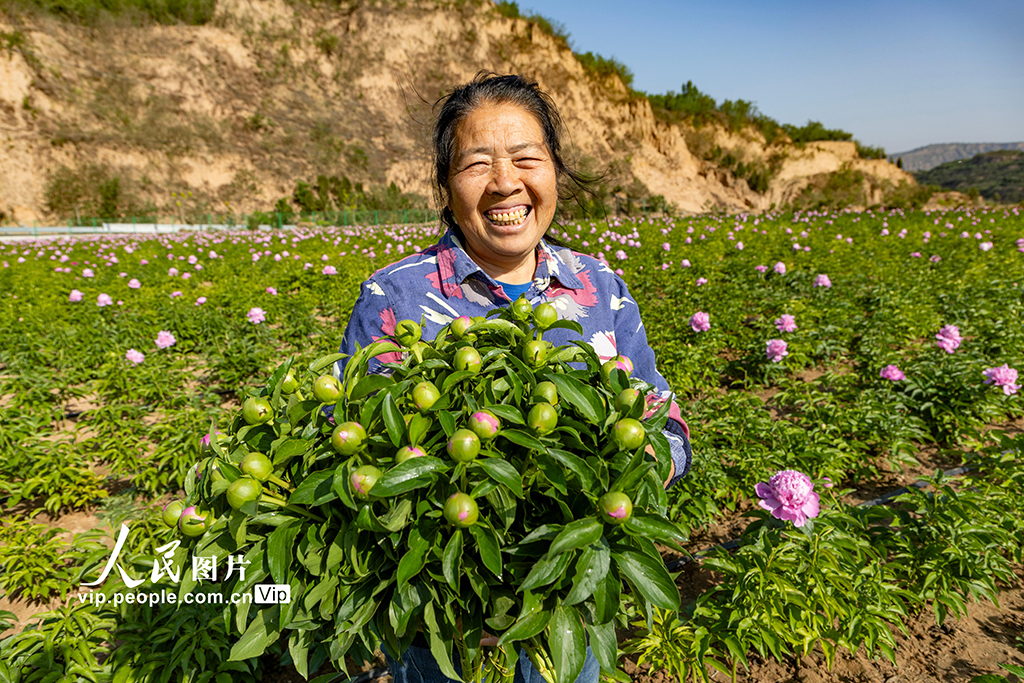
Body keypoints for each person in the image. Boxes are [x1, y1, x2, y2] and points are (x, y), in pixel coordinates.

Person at [336, 72, 692, 683]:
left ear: (553, 172)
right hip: (443, 616)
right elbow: (349, 440)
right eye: (477, 164)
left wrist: (628, 474)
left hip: (568, 605)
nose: (506, 183)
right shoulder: (395, 294)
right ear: (446, 187)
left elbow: (665, 420)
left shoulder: (599, 286)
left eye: (528, 159)